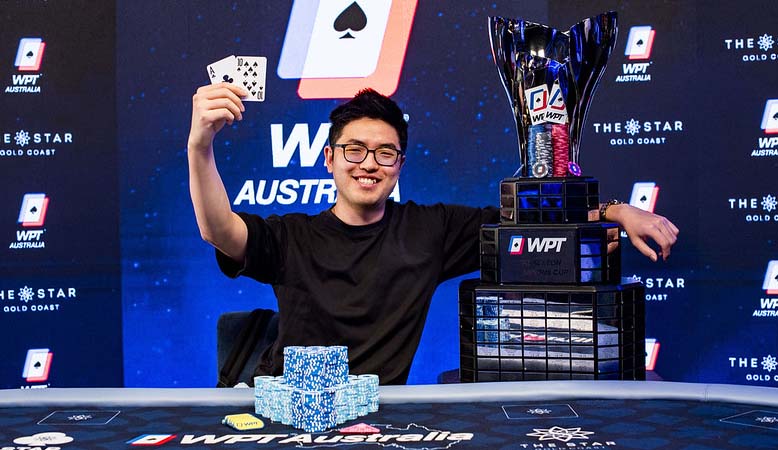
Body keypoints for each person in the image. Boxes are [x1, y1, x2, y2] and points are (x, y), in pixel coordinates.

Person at [187, 84, 679, 385]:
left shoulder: (430, 229)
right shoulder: (290, 237)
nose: (369, 164)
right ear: (330, 159)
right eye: (355, 149)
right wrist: (201, 144)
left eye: (385, 153)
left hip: (383, 426)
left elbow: (525, 221)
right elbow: (218, 228)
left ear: (399, 166)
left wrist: (615, 211)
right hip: (294, 416)